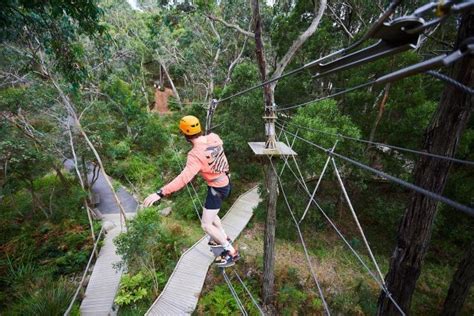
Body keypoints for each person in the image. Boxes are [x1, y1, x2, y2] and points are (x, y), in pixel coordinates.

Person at [143, 115, 239, 267]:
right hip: (224, 181)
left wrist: (160, 193)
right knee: (211, 215)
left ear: (184, 134)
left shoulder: (195, 155)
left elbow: (183, 179)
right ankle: (222, 238)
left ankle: (230, 252)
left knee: (206, 225)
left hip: (217, 188)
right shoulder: (214, 137)